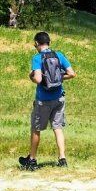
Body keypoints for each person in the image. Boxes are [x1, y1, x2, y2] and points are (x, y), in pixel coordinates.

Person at [19, 31, 75, 171]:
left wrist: (31, 76)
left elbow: (38, 79)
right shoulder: (59, 55)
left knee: (36, 128)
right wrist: (59, 78)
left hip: (43, 100)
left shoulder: (37, 58)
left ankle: (32, 159)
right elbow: (72, 74)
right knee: (57, 128)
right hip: (59, 98)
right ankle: (62, 158)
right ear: (49, 42)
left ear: (37, 43)